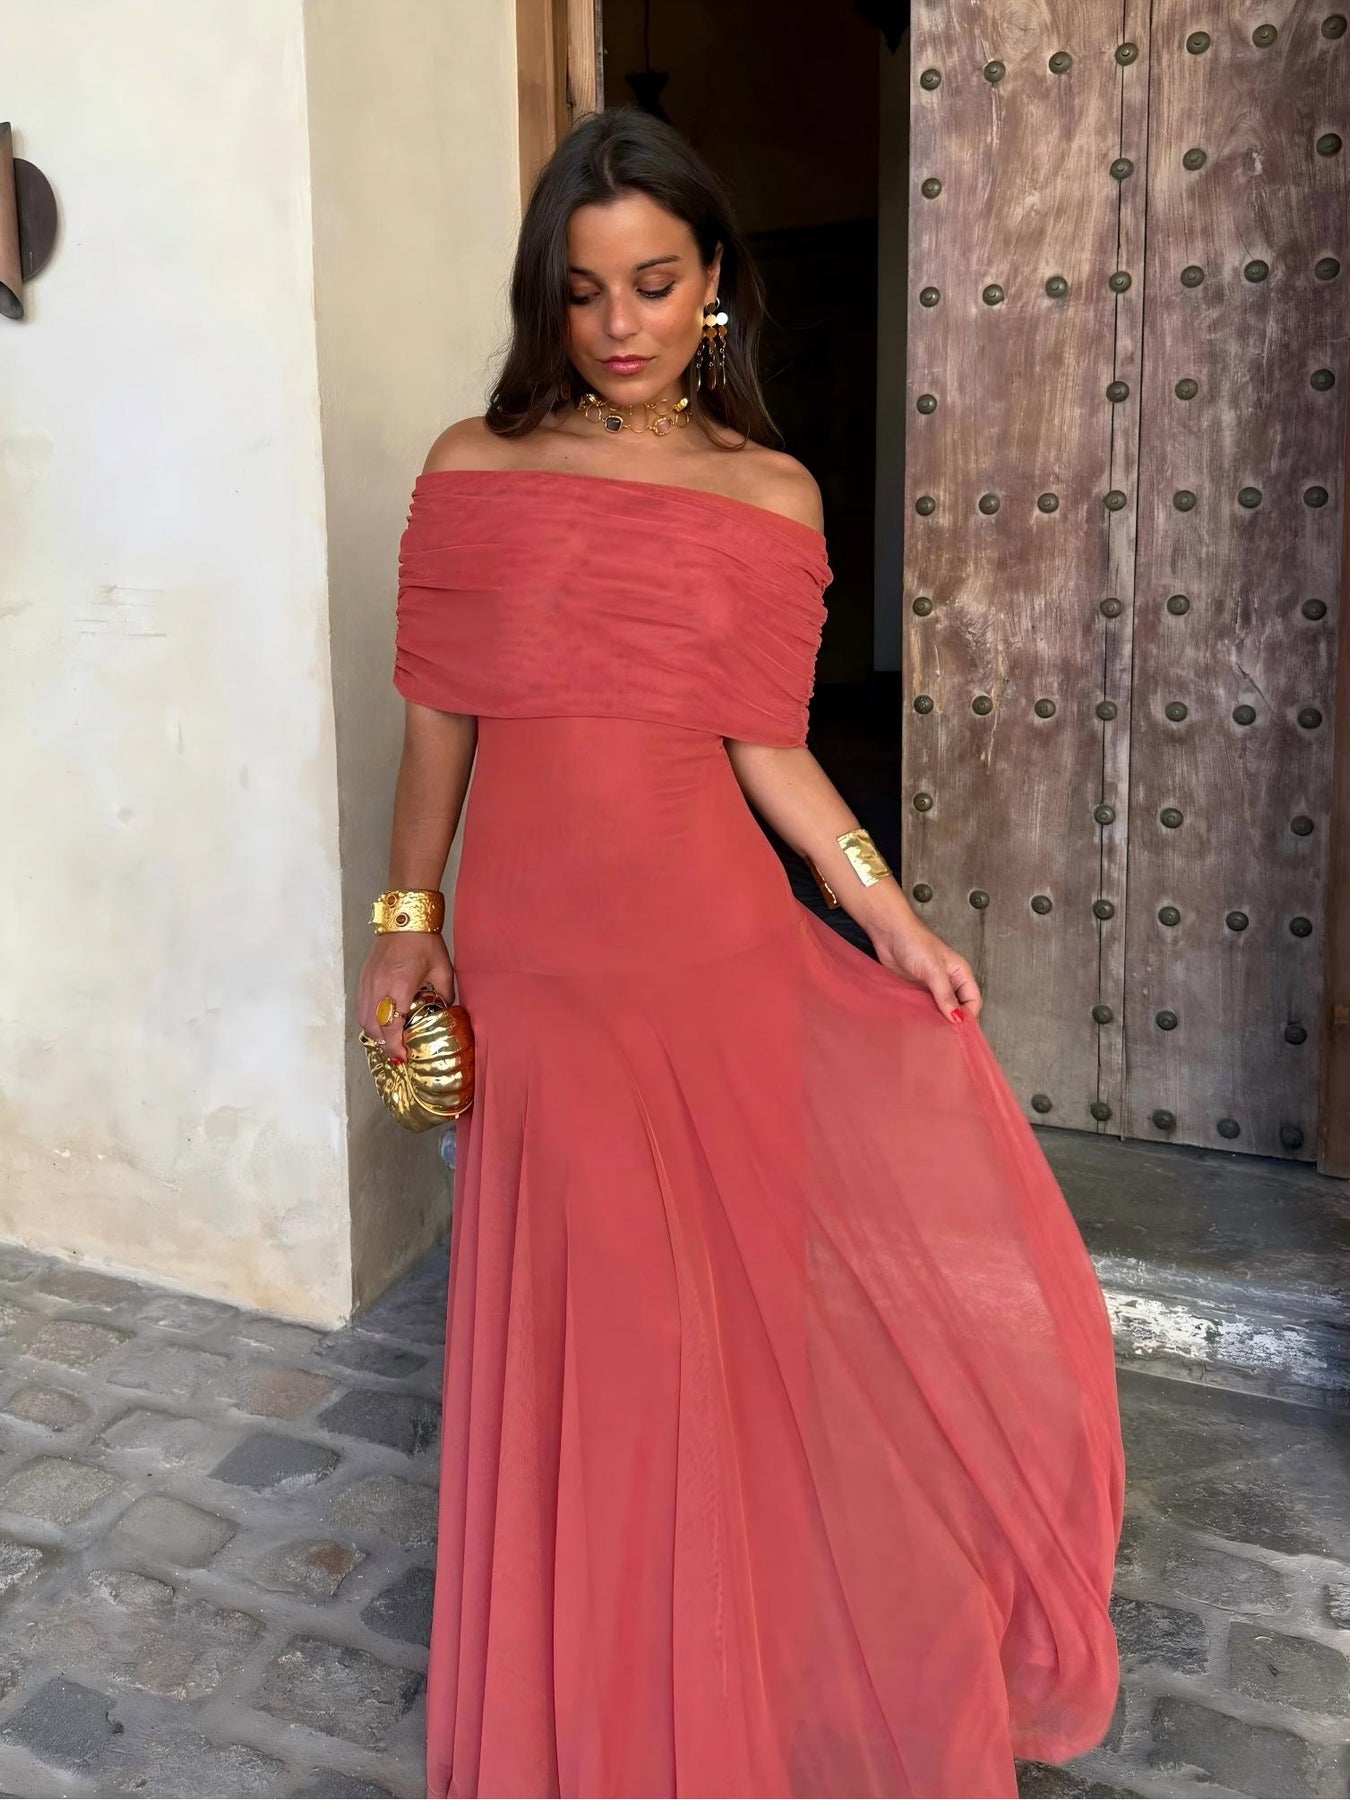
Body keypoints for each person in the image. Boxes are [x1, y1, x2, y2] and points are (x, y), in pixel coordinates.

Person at [357, 106, 1124, 1800]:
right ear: (545, 299)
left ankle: (720, 1676)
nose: (617, 324)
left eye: (651, 282)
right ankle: (592, 1689)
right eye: (581, 292)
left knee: (704, 1334)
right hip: (539, 976)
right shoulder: (471, 466)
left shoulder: (768, 491)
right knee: (583, 1335)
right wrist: (407, 927)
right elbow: (438, 726)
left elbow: (768, 749)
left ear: (711, 281)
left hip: (710, 962)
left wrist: (887, 914)